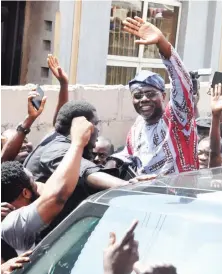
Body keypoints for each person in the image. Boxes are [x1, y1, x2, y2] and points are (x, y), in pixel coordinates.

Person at [23, 101, 129, 240]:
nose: (97, 130)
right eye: (95, 124)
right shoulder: (57, 149)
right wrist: (129, 187)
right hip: (46, 240)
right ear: (82, 126)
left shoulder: (54, 138)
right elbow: (88, 172)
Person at [112, 17, 197, 175]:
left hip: (179, 195)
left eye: (150, 93)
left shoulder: (176, 118)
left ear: (163, 96)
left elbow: (183, 85)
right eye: (138, 95)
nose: (144, 99)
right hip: (145, 195)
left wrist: (162, 44)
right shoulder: (137, 128)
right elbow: (130, 155)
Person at [2, 117, 93, 255]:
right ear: (26, 193)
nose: (41, 184)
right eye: (34, 182)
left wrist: (29, 119)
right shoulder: (14, 224)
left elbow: (4, 161)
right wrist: (77, 143)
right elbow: (56, 196)